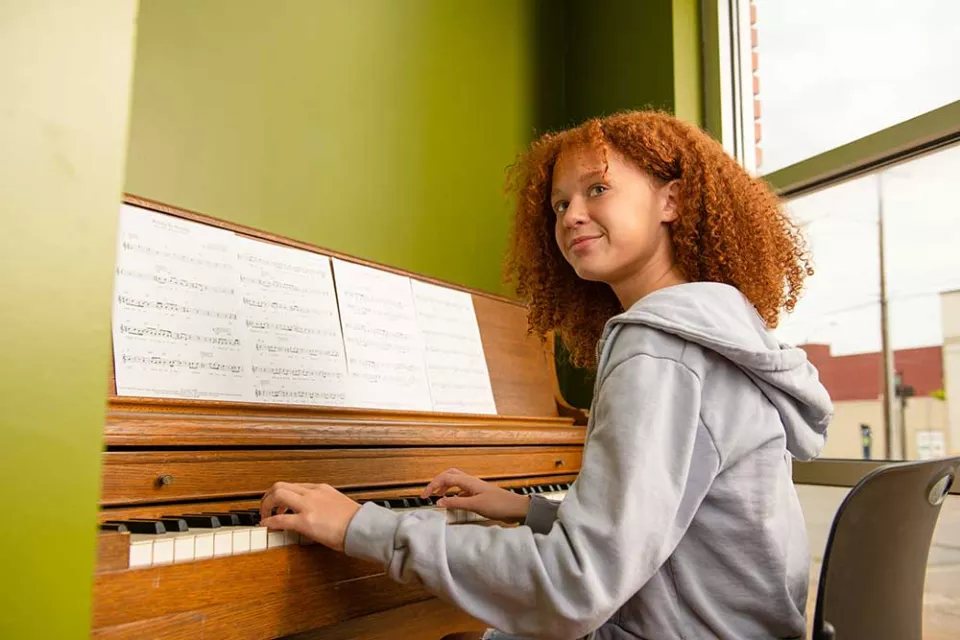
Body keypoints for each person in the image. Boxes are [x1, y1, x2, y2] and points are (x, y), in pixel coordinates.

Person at [259, 110, 833, 639]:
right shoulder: (712, 330)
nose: (572, 215)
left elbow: (573, 586)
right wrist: (530, 510)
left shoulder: (657, 350)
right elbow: (674, 532)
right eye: (559, 205)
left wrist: (361, 525)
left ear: (672, 201)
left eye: (598, 189)